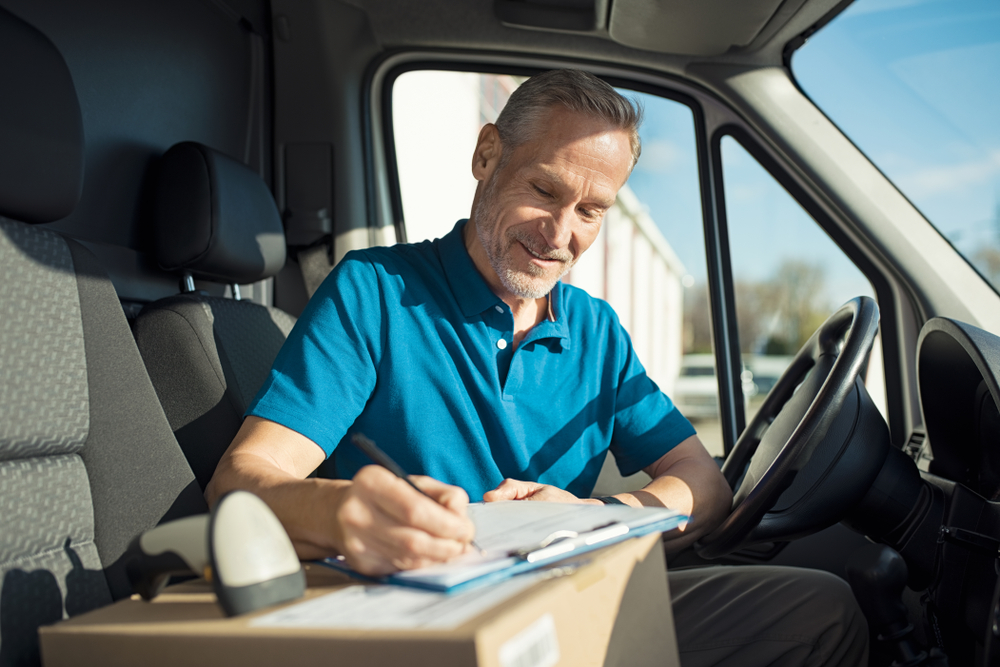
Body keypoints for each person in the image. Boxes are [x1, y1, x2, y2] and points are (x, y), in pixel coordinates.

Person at [206, 69, 868, 666]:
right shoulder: (372, 293)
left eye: (591, 210)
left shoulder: (597, 331)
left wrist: (593, 519)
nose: (561, 233)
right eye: (544, 190)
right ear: (487, 155)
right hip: (426, 625)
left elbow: (704, 484)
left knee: (823, 607)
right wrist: (340, 509)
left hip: (579, 600)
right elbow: (239, 481)